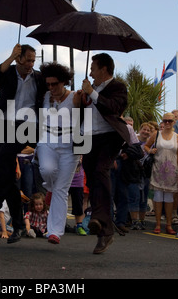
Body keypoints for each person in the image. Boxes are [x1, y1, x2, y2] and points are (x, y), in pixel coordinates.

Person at [0, 44, 47, 244]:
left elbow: (55, 86)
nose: (31, 64)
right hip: (4, 124)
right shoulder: (8, 71)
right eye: (27, 59)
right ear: (19, 58)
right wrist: (10, 57)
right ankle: (17, 226)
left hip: (29, 125)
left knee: (3, 157)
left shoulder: (38, 77)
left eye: (34, 60)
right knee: (6, 175)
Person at [77, 53, 130, 254]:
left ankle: (99, 218)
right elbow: (82, 113)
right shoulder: (90, 90)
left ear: (104, 69)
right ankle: (104, 231)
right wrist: (81, 97)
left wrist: (92, 93)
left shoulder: (117, 87)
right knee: (92, 180)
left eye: (93, 68)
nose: (90, 72)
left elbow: (114, 107)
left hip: (109, 137)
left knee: (101, 172)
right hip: (89, 138)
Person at [34, 62, 80, 245]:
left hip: (70, 145)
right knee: (46, 170)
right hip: (47, 140)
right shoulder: (44, 96)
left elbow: (85, 121)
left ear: (64, 82)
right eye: (49, 84)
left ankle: (54, 232)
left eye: (55, 84)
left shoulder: (76, 97)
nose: (51, 88)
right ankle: (49, 188)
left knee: (62, 189)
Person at [144, 112, 178, 235]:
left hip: (172, 170)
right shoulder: (157, 134)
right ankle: (157, 224)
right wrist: (150, 150)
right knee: (158, 197)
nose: (167, 123)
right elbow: (146, 146)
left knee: (169, 198)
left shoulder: (177, 136)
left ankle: (169, 224)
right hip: (158, 168)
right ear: (162, 122)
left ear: (173, 122)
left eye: (170, 121)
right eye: (165, 121)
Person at [69, 157, 88, 235]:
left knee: (78, 202)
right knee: (60, 202)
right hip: (65, 177)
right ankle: (58, 225)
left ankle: (79, 225)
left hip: (78, 178)